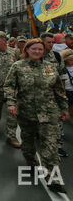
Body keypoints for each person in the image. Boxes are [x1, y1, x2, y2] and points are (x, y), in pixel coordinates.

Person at [4, 38, 69, 194]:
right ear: (27, 50)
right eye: (34, 49)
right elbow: (9, 86)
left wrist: (64, 107)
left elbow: (58, 90)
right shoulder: (18, 66)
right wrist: (11, 103)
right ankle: (32, 164)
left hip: (49, 113)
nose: (37, 52)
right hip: (27, 113)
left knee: (50, 147)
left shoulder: (51, 67)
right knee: (28, 145)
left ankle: (53, 179)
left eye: (40, 49)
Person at [41, 32, 68, 158]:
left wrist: (62, 93)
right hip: (37, 96)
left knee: (57, 122)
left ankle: (57, 146)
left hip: (54, 96)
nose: (51, 45)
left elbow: (62, 75)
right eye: (48, 42)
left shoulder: (57, 56)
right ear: (42, 42)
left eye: (53, 42)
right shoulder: (35, 54)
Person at [60, 49, 73, 125]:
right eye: (69, 58)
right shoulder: (62, 69)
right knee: (71, 108)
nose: (71, 59)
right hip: (68, 90)